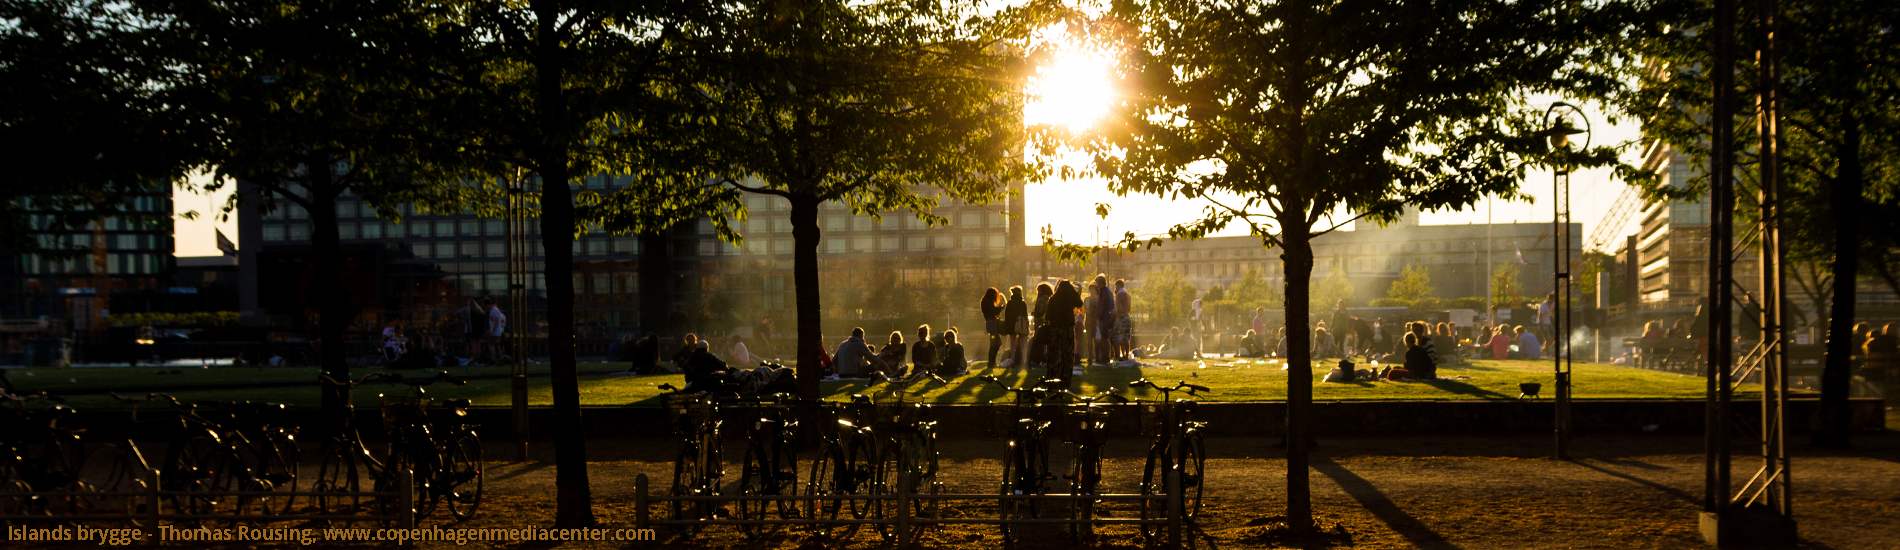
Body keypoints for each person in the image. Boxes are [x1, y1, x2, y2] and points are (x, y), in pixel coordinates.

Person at [1046, 280, 1083, 371]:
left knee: (1055, 350)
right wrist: (1074, 292)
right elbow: (1080, 303)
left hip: (1055, 328)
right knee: (1067, 350)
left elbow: (1047, 316)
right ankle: (1066, 369)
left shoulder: (1053, 299)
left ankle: (1054, 369)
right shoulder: (1070, 299)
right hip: (1068, 328)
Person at [1004, 286, 1029, 367]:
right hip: (1021, 325)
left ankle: (1013, 361)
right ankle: (1025, 361)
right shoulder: (1023, 303)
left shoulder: (1010, 303)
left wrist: (1007, 327)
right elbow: (1025, 316)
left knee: (1012, 344)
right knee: (1023, 344)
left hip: (1011, 325)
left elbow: (1006, 316)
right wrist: (1026, 326)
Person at [1093, 274, 1116, 365]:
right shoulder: (1108, 291)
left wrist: (1098, 317)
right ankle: (1106, 356)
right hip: (1108, 316)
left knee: (1104, 338)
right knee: (1104, 337)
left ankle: (1106, 356)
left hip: (1104, 317)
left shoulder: (1103, 292)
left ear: (1100, 282)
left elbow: (1101, 305)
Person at [981, 288, 1006, 367]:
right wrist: (1000, 308)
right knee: (994, 344)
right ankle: (991, 362)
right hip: (992, 325)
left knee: (996, 343)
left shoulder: (985, 301)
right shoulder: (988, 302)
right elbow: (993, 312)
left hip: (990, 324)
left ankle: (992, 362)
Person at [461, 298, 487, 362]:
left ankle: (474, 360)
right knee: (478, 344)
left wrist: (470, 331)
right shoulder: (480, 311)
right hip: (479, 330)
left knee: (473, 345)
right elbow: (483, 321)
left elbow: (469, 322)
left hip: (473, 330)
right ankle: (479, 359)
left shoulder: (470, 311)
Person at [1113, 279, 1133, 360]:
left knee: (1116, 337)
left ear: (1118, 285)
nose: (1116, 288)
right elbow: (1129, 308)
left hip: (1121, 317)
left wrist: (1115, 312)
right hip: (1127, 317)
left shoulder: (1119, 295)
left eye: (1116, 286)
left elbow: (1119, 308)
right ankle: (1126, 356)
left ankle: (1117, 356)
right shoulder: (1128, 295)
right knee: (1126, 337)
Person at [484, 297, 507, 363]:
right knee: (497, 345)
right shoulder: (493, 310)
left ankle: (493, 359)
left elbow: (496, 321)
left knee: (491, 345)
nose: (486, 307)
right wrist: (490, 329)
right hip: (496, 331)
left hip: (495, 332)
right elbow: (493, 322)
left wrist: (492, 331)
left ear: (488, 304)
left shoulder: (494, 310)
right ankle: (501, 359)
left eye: (485, 306)